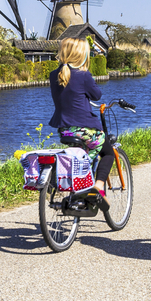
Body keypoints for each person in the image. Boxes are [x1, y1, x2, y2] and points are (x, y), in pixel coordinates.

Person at [49, 37, 114, 210]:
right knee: (108, 153)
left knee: (78, 157)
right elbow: (97, 95)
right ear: (82, 55)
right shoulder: (83, 75)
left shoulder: (53, 75)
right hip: (85, 130)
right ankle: (98, 187)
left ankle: (71, 183)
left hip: (65, 131)